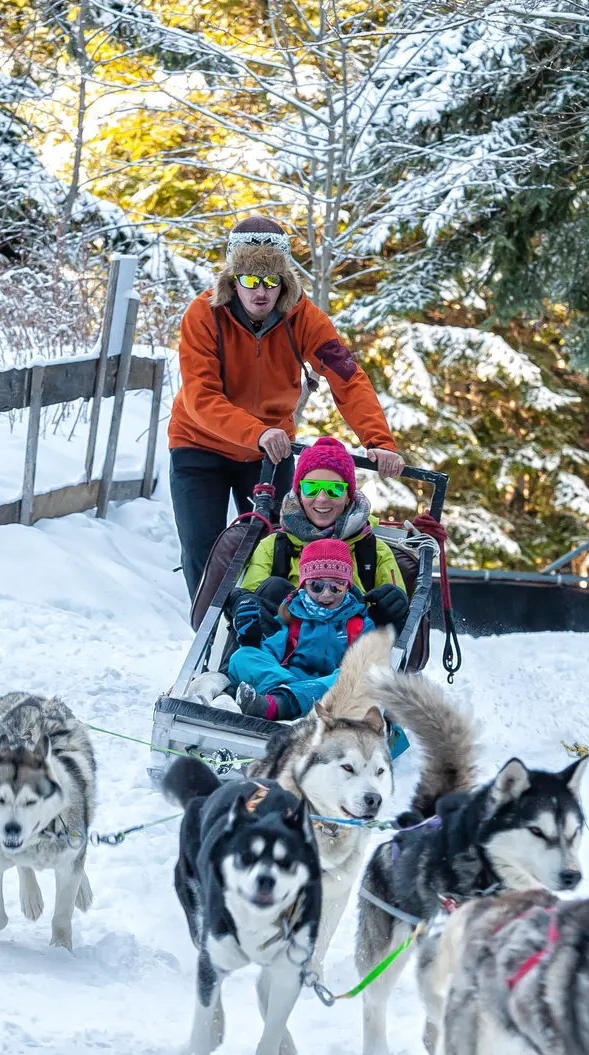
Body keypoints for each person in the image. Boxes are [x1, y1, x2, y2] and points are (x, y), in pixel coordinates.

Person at [168, 215, 405, 598]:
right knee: (203, 548)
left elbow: (346, 377)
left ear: (285, 281)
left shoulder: (304, 318)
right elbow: (201, 397)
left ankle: (272, 633)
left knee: (278, 546)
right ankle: (211, 635)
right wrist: (257, 432)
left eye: (270, 281)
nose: (260, 292)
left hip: (271, 452)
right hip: (200, 444)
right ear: (233, 279)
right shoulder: (204, 314)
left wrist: (378, 440)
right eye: (249, 280)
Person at [229, 437, 409, 650]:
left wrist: (395, 605)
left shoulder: (374, 550)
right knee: (271, 590)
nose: (322, 498)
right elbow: (252, 598)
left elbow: (400, 616)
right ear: (299, 494)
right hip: (278, 650)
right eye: (311, 488)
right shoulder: (274, 546)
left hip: (348, 653)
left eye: (334, 489)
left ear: (348, 496)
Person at [223, 539, 375, 722]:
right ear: (304, 585)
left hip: (328, 686)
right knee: (243, 656)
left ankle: (279, 704)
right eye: (317, 586)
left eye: (337, 586)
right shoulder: (294, 615)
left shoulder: (359, 624)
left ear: (348, 586)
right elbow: (271, 651)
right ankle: (285, 699)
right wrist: (251, 640)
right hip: (286, 678)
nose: (326, 594)